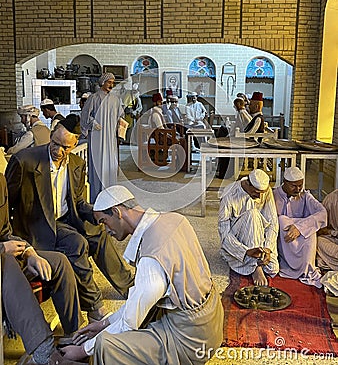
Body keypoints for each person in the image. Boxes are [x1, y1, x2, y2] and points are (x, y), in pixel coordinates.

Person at [60, 185, 224, 364]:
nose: (106, 230)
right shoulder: (176, 219)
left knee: (105, 344)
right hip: (212, 320)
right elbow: (137, 302)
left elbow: (129, 322)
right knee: (136, 314)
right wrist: (103, 324)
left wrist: (83, 350)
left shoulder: (151, 259)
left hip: (191, 340)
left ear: (117, 212)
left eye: (103, 221)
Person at [5, 115, 134, 323]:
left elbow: (78, 202)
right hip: (37, 226)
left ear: (75, 144)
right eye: (55, 143)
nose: (58, 151)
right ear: (51, 136)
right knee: (77, 244)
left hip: (66, 220)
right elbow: (5, 202)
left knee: (99, 234)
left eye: (65, 147)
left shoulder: (76, 163)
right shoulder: (25, 161)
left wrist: (96, 213)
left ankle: (130, 287)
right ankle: (94, 307)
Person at [0, 173, 83, 364]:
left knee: (59, 262)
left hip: (6, 255)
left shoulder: (0, 181)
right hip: (3, 260)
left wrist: (30, 253)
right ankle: (45, 352)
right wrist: (3, 249)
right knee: (8, 262)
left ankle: (75, 335)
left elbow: (5, 232)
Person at [218, 169, 279, 286]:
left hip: (259, 236)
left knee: (273, 268)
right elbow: (224, 232)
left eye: (263, 192)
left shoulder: (265, 191)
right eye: (257, 192)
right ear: (247, 183)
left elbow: (273, 223)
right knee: (253, 214)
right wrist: (245, 251)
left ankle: (257, 259)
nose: (260, 196)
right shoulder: (230, 193)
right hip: (238, 239)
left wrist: (268, 249)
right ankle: (255, 267)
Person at [273, 166, 327, 288]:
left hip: (302, 239)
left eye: (300, 185)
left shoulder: (305, 195)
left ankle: (307, 267)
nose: (298, 189)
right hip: (282, 242)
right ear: (285, 182)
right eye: (293, 186)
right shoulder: (273, 195)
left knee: (310, 229)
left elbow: (322, 213)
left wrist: (300, 227)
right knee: (281, 220)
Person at [80, 72, 124, 203]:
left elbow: (120, 115)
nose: (111, 85)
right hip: (97, 137)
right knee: (98, 164)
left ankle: (110, 195)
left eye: (112, 82)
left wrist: (121, 124)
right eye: (109, 82)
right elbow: (85, 116)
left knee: (110, 163)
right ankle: (97, 197)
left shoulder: (115, 99)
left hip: (110, 137)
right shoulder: (93, 98)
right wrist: (92, 123)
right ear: (102, 83)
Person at [317, 189, 338, 271]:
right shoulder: (331, 199)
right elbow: (321, 229)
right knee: (318, 242)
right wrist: (333, 233)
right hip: (333, 240)